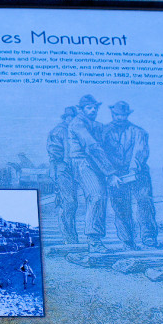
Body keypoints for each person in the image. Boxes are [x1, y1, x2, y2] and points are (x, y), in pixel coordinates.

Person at [66, 94, 119, 254]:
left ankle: (96, 239)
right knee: (96, 196)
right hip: (83, 163)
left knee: (101, 197)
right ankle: (94, 240)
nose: (94, 110)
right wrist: (110, 173)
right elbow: (93, 147)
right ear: (81, 109)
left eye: (96, 107)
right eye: (90, 107)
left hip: (94, 163)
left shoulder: (95, 125)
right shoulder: (78, 124)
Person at [102, 101, 158, 249]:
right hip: (116, 175)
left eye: (123, 115)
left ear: (127, 115)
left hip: (138, 173)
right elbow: (101, 154)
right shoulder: (104, 132)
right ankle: (127, 239)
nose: (120, 117)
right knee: (120, 206)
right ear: (113, 114)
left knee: (144, 201)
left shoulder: (138, 131)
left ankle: (148, 236)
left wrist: (133, 170)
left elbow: (140, 151)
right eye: (117, 115)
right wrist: (111, 173)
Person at [47, 106, 79, 244]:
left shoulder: (76, 131)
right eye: (70, 117)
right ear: (66, 118)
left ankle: (72, 237)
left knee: (72, 203)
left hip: (73, 170)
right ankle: (69, 238)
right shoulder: (59, 130)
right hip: (62, 169)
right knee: (68, 203)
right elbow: (54, 152)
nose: (72, 120)